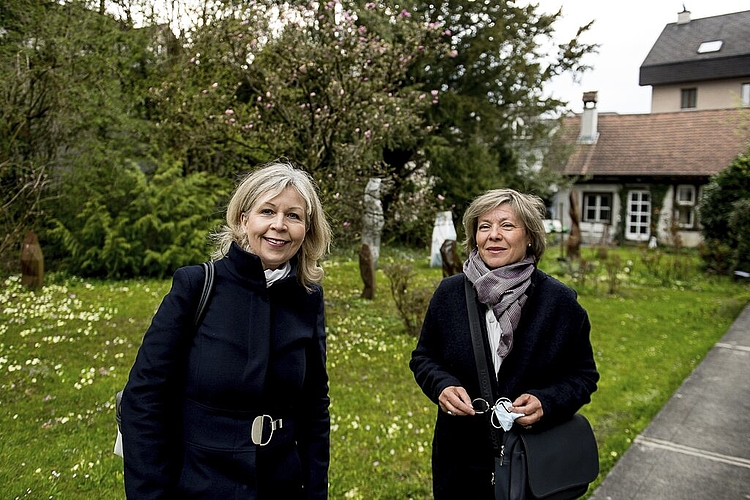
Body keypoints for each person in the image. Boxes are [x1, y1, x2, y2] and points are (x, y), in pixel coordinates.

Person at [121, 161, 333, 499]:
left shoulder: (307, 298)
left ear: (307, 230)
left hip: (280, 484)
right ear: (243, 219)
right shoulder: (196, 286)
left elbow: (314, 406)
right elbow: (143, 399)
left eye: (293, 216)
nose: (279, 226)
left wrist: (315, 491)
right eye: (267, 211)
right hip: (199, 482)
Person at [410, 188, 599, 499]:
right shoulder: (450, 294)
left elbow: (583, 376)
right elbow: (423, 358)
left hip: (532, 463)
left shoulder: (560, 303)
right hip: (459, 463)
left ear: (530, 237)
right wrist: (442, 386)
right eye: (484, 226)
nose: (493, 235)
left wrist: (546, 402)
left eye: (507, 226)